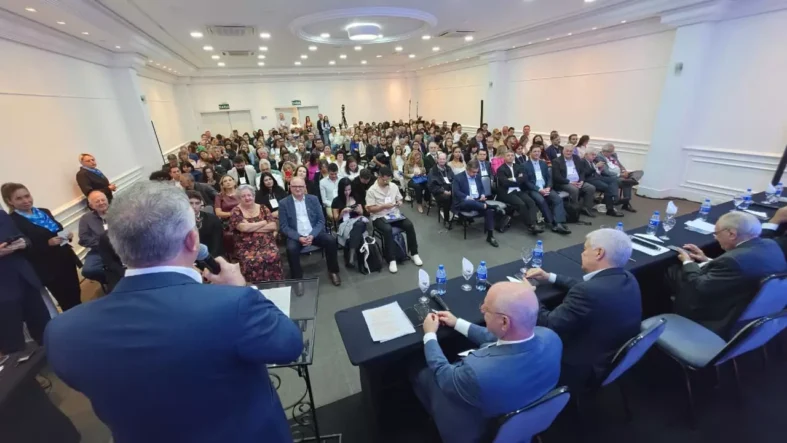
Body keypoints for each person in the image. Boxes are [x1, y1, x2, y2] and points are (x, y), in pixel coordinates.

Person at [45, 181, 303, 443]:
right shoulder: (235, 304)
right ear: (192, 240)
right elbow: (289, 344)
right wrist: (241, 289)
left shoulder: (63, 333)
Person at [411, 282, 562, 443]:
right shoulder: (550, 337)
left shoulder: (477, 372)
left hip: (474, 427)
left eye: (487, 308)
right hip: (521, 414)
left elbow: (443, 374)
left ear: (504, 322)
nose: (482, 309)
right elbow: (497, 338)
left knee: (417, 368)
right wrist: (457, 323)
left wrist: (429, 335)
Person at [527, 229, 642, 389]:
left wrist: (528, 295)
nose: (582, 253)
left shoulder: (588, 292)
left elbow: (549, 324)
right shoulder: (627, 278)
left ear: (599, 253)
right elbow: (588, 286)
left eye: (585, 248)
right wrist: (550, 277)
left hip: (579, 368)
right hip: (610, 355)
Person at [669, 212, 787, 336]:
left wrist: (687, 262)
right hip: (755, 309)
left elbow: (698, 285)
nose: (716, 238)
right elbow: (744, 268)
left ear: (732, 234)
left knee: (673, 271)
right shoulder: (771, 244)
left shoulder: (733, 260)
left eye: (717, 233)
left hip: (720, 315)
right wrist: (707, 260)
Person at [2, 183, 82, 311]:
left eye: (27, 196)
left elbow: (57, 230)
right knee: (66, 301)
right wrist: (47, 244)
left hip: (66, 259)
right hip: (48, 268)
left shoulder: (43, 211)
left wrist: (66, 235)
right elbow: (23, 249)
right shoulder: (13, 221)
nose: (26, 201)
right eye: (19, 198)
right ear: (9, 201)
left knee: (76, 293)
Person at [0, 208, 50, 354]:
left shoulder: (2, 215)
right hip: (3, 293)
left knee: (45, 329)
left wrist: (23, 243)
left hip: (24, 278)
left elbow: (24, 238)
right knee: (12, 342)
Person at [278, 177, 342, 286]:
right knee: (291, 249)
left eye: (300, 186)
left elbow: (321, 220)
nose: (298, 189)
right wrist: (298, 237)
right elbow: (284, 226)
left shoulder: (313, 199)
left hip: (314, 233)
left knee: (331, 240)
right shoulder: (284, 203)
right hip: (296, 235)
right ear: (290, 187)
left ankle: (333, 271)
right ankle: (297, 278)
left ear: (304, 187)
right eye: (295, 186)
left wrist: (312, 235)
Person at [366, 167, 424, 273]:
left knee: (409, 225)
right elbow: (370, 209)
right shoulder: (371, 190)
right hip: (379, 216)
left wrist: (399, 202)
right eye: (385, 180)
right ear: (379, 177)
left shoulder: (393, 186)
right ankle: (391, 259)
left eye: (389, 179)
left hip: (394, 214)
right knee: (387, 230)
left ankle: (414, 253)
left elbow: (399, 198)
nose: (387, 182)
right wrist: (383, 206)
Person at [230, 185, 283, 282]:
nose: (247, 198)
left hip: (267, 243)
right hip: (246, 246)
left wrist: (250, 227)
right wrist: (263, 222)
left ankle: (275, 283)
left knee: (273, 255)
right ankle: (253, 285)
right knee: (251, 260)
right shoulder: (236, 211)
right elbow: (243, 228)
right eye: (243, 196)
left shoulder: (263, 208)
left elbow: (273, 226)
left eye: (249, 195)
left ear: (254, 196)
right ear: (239, 198)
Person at [522, 146, 571, 234]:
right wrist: (539, 189)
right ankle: (552, 223)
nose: (537, 153)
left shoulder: (543, 163)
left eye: (538, 151)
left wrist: (548, 187)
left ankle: (559, 222)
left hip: (545, 187)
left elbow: (549, 178)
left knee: (558, 199)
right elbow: (526, 182)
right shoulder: (524, 165)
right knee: (541, 201)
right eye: (535, 151)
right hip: (534, 189)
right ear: (530, 153)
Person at [451, 159, 500, 247]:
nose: (475, 174)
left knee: (489, 211)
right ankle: (490, 206)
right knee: (469, 202)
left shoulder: (477, 176)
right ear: (467, 169)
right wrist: (467, 197)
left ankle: (490, 236)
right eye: (473, 172)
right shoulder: (458, 177)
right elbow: (456, 192)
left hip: (478, 201)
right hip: (464, 202)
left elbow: (481, 189)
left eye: (477, 172)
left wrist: (482, 194)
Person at [495, 151, 541, 234]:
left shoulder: (519, 167)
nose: (510, 157)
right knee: (521, 204)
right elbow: (505, 183)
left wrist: (512, 179)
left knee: (531, 202)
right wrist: (518, 179)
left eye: (512, 155)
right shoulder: (500, 169)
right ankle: (531, 225)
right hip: (506, 192)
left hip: (518, 190)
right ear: (504, 158)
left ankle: (534, 223)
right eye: (508, 155)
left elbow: (524, 178)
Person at [552, 145, 597, 218]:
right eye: (567, 151)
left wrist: (581, 180)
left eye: (571, 151)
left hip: (577, 181)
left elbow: (582, 171)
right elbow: (557, 177)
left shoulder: (576, 158)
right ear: (563, 151)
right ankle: (575, 210)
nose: (569, 153)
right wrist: (570, 182)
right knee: (574, 190)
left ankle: (586, 208)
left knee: (591, 188)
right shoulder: (557, 161)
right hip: (564, 182)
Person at [332, 177, 368, 267]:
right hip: (345, 224)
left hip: (358, 220)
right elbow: (336, 219)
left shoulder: (355, 197)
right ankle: (361, 262)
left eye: (349, 189)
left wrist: (359, 211)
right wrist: (342, 212)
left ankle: (351, 255)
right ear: (341, 190)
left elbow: (362, 213)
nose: (347, 192)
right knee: (358, 233)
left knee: (359, 224)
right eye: (345, 190)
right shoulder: (336, 201)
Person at [596, 143, 642, 213]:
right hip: (611, 177)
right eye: (611, 152)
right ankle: (626, 204)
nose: (613, 153)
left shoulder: (613, 155)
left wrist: (624, 171)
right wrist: (620, 175)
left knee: (639, 172)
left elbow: (620, 165)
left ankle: (631, 179)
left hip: (620, 174)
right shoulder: (599, 157)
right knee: (627, 183)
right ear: (605, 152)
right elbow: (606, 172)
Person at [78, 190, 110, 281]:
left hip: (122, 247)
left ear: (107, 200)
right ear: (91, 206)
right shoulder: (86, 219)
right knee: (88, 270)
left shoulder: (119, 212)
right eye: (97, 201)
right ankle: (110, 280)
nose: (101, 203)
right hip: (99, 250)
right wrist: (102, 244)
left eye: (103, 200)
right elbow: (84, 238)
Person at [582, 148, 624, 217]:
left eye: (595, 155)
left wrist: (599, 169)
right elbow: (584, 173)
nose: (594, 156)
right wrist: (596, 166)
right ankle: (611, 208)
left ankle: (615, 198)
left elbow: (597, 172)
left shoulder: (592, 161)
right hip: (589, 179)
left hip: (597, 177)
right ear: (586, 155)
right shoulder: (582, 161)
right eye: (592, 155)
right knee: (607, 187)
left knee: (614, 179)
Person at [186, 191, 223, 257]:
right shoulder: (177, 221)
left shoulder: (213, 220)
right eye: (191, 203)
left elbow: (217, 244)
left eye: (197, 203)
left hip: (208, 256)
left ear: (201, 204)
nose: (194, 206)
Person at [428, 152, 455, 227]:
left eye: (444, 159)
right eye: (440, 159)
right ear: (437, 160)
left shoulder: (448, 168)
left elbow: (454, 180)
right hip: (438, 192)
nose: (442, 161)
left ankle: (459, 216)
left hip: (450, 189)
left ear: (446, 160)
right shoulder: (432, 171)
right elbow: (431, 186)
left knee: (459, 195)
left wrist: (452, 190)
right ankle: (446, 219)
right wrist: (443, 191)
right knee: (447, 198)